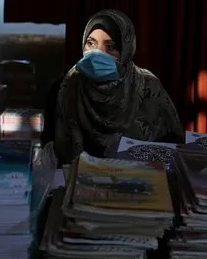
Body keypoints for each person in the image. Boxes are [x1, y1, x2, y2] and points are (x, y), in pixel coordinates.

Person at [54, 9, 183, 164]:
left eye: (110, 47)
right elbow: (56, 149)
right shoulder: (71, 83)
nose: (97, 53)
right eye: (90, 43)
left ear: (126, 50)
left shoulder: (147, 86)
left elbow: (171, 146)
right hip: (78, 180)